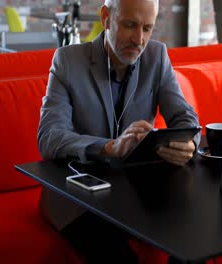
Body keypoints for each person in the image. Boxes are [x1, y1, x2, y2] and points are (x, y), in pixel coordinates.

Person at [37, 0, 200, 262]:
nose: (139, 39)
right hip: (79, 199)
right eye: (130, 25)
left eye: (147, 28)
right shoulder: (68, 61)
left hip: (136, 193)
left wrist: (187, 142)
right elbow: (49, 137)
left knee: (194, 238)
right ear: (105, 17)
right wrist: (109, 147)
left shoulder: (157, 56)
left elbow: (185, 118)